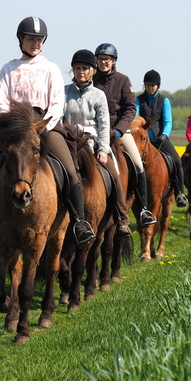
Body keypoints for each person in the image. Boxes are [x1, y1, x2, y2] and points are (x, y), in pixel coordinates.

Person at [0, 17, 96, 249]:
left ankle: (79, 222)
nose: (35, 43)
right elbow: (1, 101)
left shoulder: (51, 68)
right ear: (21, 40)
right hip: (12, 130)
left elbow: (57, 103)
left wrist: (42, 127)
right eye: (31, 39)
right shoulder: (8, 68)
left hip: (44, 127)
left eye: (39, 39)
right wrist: (10, 128)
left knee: (70, 171)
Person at [63, 49, 131, 239]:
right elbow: (60, 118)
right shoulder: (64, 91)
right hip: (70, 142)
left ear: (91, 71)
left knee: (113, 173)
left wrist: (102, 149)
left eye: (85, 68)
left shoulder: (98, 95)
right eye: (77, 68)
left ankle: (122, 220)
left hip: (92, 142)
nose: (81, 72)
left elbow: (104, 125)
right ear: (73, 71)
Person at [93, 43, 156, 233]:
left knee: (137, 164)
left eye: (107, 59)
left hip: (118, 131)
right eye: (101, 59)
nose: (104, 62)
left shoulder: (123, 80)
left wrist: (120, 130)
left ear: (114, 61)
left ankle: (144, 210)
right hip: (94, 131)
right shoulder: (91, 79)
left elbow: (130, 109)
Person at [135, 69, 188, 207]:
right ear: (145, 86)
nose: (150, 88)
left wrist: (164, 134)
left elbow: (168, 121)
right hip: (143, 139)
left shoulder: (164, 100)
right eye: (148, 85)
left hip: (160, 139)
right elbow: (134, 116)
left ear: (158, 86)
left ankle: (180, 193)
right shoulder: (138, 100)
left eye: (153, 85)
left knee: (176, 160)